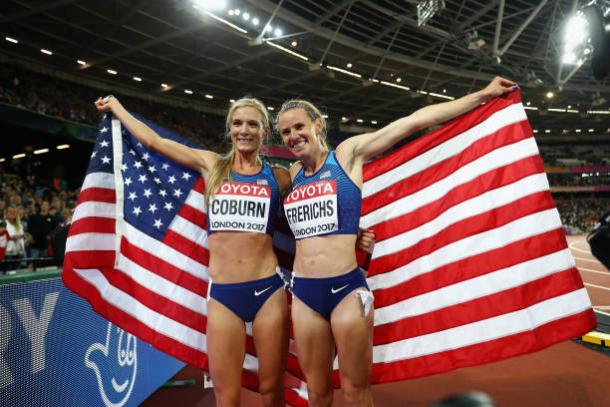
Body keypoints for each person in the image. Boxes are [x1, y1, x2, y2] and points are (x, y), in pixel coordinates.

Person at [276, 76, 516, 407]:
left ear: (317, 124)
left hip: (346, 291)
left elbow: (413, 121)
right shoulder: (291, 174)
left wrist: (482, 95)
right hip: (304, 294)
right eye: (285, 132)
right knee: (316, 393)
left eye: (299, 126)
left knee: (355, 389)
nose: (292, 136)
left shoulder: (347, 155)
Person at [95, 96, 291, 407]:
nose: (244, 130)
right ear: (229, 129)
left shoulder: (279, 176)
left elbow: (315, 201)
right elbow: (154, 142)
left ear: (264, 132)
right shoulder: (211, 165)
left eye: (252, 124)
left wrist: (354, 231)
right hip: (225, 295)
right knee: (226, 395)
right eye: (238, 123)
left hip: (268, 290)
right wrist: (117, 108)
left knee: (270, 390)